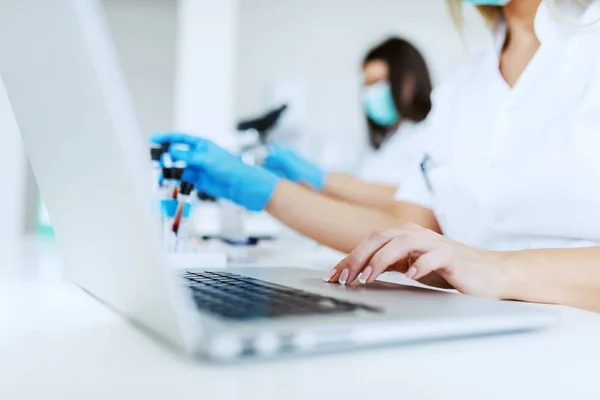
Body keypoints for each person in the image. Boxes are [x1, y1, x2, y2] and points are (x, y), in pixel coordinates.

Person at [152, 0, 600, 312]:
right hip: (477, 330)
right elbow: (402, 231)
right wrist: (264, 191)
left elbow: (479, 262)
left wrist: (496, 268)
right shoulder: (463, 91)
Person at [266, 37, 433, 212]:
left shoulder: (428, 137)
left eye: (377, 82)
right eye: (366, 84)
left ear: (407, 83)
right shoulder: (387, 141)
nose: (370, 93)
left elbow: (407, 198)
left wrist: (318, 177)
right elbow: (359, 194)